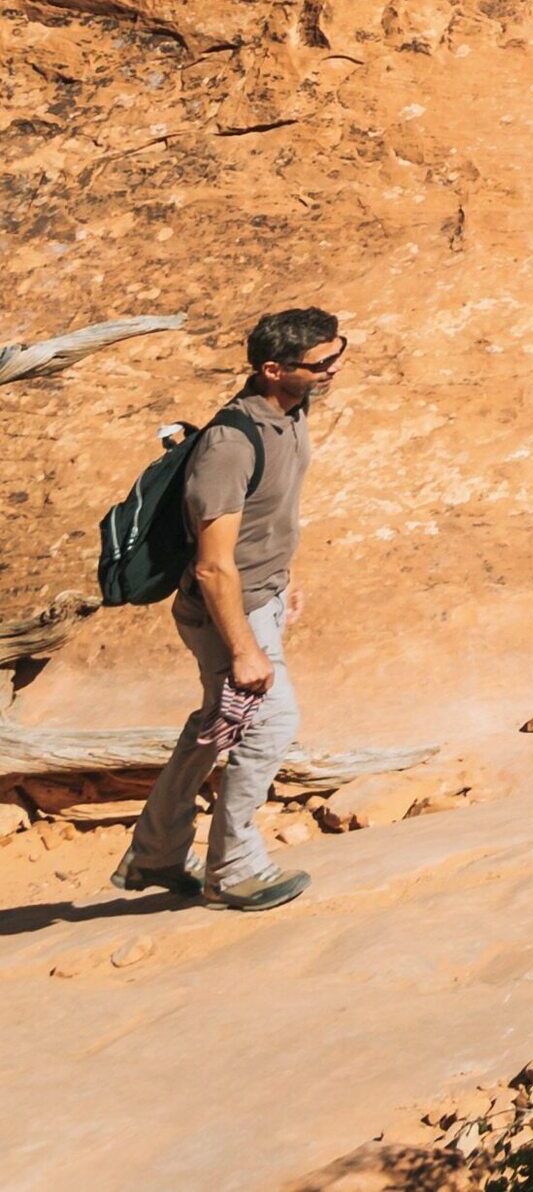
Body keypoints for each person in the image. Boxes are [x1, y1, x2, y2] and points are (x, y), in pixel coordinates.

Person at [118, 305, 348, 912]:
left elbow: (269, 518)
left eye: (337, 353)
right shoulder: (228, 446)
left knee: (213, 725)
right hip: (227, 613)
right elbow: (213, 565)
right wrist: (245, 646)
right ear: (273, 370)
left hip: (260, 598)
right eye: (322, 363)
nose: (334, 368)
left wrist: (281, 579)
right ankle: (235, 869)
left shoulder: (292, 409)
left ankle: (155, 855)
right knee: (268, 722)